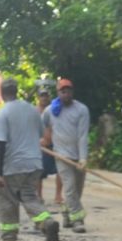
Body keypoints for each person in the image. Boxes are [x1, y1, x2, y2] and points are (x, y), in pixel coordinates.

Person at [0, 78, 61, 241]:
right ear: (16, 91)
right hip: (34, 163)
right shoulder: (32, 110)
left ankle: (9, 239)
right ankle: (46, 222)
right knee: (29, 197)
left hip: (12, 166)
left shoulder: (2, 114)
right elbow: (41, 135)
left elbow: (0, 144)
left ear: (2, 93)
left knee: (8, 201)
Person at [42, 77, 91, 233]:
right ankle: (78, 220)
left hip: (78, 156)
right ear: (58, 93)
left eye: (68, 91)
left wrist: (83, 158)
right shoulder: (50, 110)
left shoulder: (81, 110)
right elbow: (40, 125)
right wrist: (40, 140)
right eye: (62, 91)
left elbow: (83, 135)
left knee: (77, 189)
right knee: (69, 188)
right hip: (61, 156)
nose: (66, 94)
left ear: (72, 92)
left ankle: (67, 212)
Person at [35, 86, 62, 209]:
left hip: (55, 144)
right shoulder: (35, 111)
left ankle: (58, 195)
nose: (44, 98)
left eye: (46, 96)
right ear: (38, 97)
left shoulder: (54, 109)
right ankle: (39, 195)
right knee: (39, 172)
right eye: (42, 96)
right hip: (41, 146)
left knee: (60, 170)